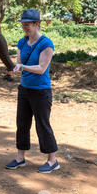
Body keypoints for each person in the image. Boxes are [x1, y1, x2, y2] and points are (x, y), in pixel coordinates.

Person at [6, 9, 59, 173]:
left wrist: (22, 67)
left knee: (42, 125)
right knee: (22, 124)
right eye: (23, 24)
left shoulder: (46, 44)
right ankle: (20, 158)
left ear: (37, 24)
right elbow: (20, 63)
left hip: (41, 91)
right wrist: (14, 68)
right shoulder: (22, 43)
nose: (25, 28)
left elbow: (42, 68)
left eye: (28, 25)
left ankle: (52, 160)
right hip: (24, 89)